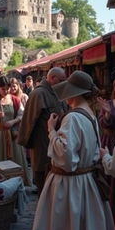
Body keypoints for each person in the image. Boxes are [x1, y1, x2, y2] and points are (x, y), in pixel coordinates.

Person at [28, 70, 115, 230]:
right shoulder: (90, 115)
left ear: (75, 93)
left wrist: (51, 130)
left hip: (70, 186)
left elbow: (66, 159)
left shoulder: (72, 118)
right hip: (87, 184)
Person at [18, 67, 68, 196]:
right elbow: (28, 121)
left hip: (55, 145)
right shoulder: (38, 94)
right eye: (61, 80)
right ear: (52, 78)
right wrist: (27, 144)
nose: (64, 82)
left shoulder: (57, 92)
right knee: (44, 184)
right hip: (42, 146)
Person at [0, 75, 31, 185]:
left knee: (15, 159)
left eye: (7, 88)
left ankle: (16, 184)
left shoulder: (15, 100)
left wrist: (12, 122)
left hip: (12, 134)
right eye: (3, 89)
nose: (6, 91)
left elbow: (22, 115)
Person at [98, 77, 115, 222]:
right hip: (108, 142)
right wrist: (106, 114)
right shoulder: (109, 104)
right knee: (107, 176)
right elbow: (102, 123)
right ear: (114, 89)